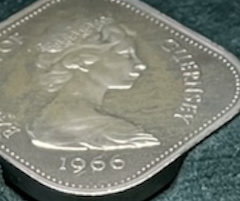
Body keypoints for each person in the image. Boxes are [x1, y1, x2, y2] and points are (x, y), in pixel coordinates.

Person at [25, 16, 161, 151]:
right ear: (81, 60)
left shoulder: (42, 122)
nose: (140, 65)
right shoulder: (117, 132)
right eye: (126, 55)